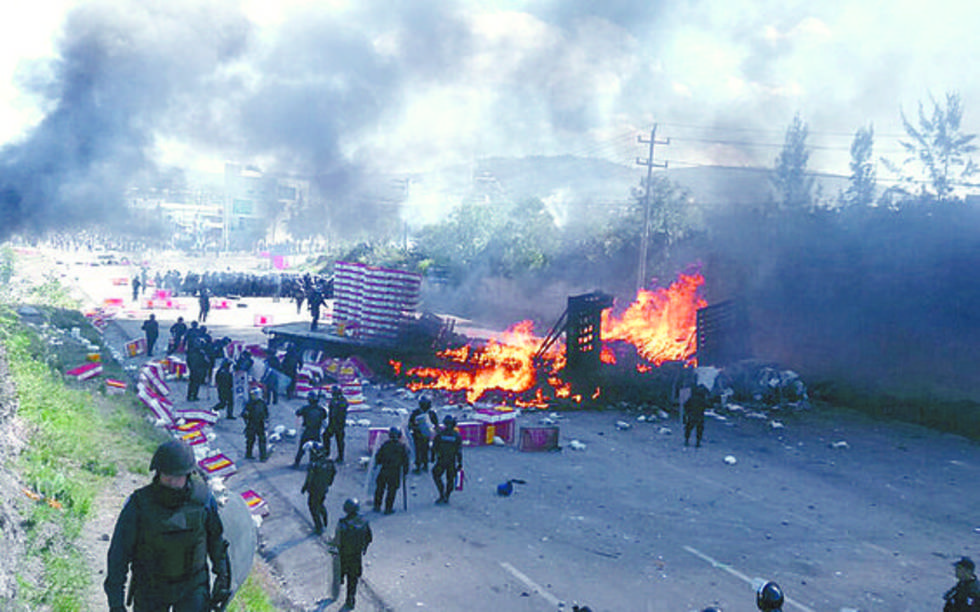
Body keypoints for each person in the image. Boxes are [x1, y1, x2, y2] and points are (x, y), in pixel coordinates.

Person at [104, 439, 231, 612]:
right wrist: (115, 603)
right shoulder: (139, 504)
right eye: (167, 475)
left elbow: (216, 540)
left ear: (188, 475)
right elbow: (119, 553)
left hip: (192, 586)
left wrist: (222, 577)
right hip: (150, 586)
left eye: (177, 476)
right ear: (158, 473)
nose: (171, 481)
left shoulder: (203, 500)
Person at [332, 498, 372, 610]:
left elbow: (337, 540)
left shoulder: (342, 523)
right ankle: (350, 598)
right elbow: (369, 538)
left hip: (343, 555)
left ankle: (337, 587)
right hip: (356, 556)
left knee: (340, 573)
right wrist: (363, 548)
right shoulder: (364, 522)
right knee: (353, 578)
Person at [301, 442, 336, 535]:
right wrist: (328, 483)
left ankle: (319, 527)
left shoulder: (314, 464)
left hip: (314, 489)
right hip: (324, 488)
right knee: (320, 503)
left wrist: (304, 488)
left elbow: (309, 478)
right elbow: (333, 473)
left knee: (312, 506)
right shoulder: (329, 461)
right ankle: (325, 521)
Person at [373, 427, 410, 515]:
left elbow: (378, 457)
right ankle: (388, 508)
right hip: (395, 471)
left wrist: (378, 463)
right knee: (392, 490)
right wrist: (405, 471)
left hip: (384, 470)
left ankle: (377, 505)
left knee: (380, 488)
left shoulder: (385, 445)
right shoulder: (402, 447)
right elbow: (405, 461)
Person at [431, 415, 463, 505]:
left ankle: (442, 494)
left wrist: (433, 457)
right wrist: (460, 463)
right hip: (451, 460)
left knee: (436, 475)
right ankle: (447, 496)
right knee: (450, 480)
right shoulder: (457, 436)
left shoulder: (440, 434)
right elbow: (459, 451)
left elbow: (434, 447)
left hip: (441, 459)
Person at [294, 393, 327, 468]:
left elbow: (298, 413)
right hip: (316, 431)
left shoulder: (306, 408)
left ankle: (297, 462)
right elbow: (324, 417)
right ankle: (312, 463)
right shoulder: (321, 409)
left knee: (302, 447)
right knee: (315, 448)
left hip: (307, 430)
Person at [408, 397, 438, 473]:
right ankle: (420, 465)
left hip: (426, 436)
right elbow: (410, 424)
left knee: (424, 450)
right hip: (418, 435)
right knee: (419, 451)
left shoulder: (431, 413)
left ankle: (424, 465)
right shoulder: (416, 413)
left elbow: (436, 425)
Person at [241, 389, 269, 461]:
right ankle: (248, 453)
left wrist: (266, 421)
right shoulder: (250, 403)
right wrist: (245, 415)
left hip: (260, 423)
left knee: (262, 440)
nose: (253, 396)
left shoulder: (262, 403)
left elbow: (266, 413)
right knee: (250, 440)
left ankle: (263, 456)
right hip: (252, 423)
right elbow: (244, 413)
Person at [324, 386, 349, 463]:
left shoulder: (339, 401)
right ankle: (338, 456)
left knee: (334, 439)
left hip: (336, 424)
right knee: (338, 440)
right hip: (337, 424)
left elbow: (335, 413)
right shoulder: (340, 400)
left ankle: (329, 454)